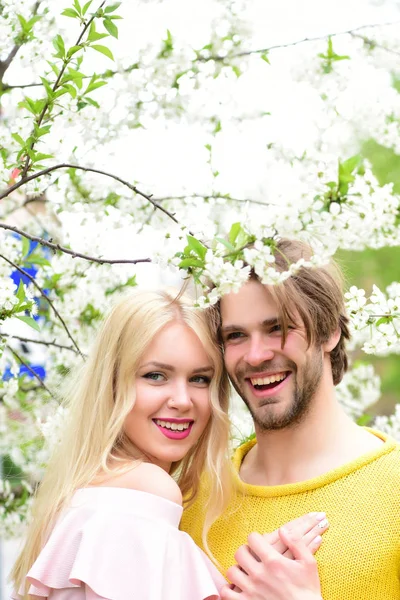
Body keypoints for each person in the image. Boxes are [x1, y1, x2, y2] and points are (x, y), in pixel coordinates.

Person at [10, 288, 327, 600]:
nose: (182, 400)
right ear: (112, 384)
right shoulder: (148, 490)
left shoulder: (83, 495)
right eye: (156, 376)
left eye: (199, 379)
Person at [181, 238, 400, 600]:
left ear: (329, 329)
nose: (255, 355)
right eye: (235, 335)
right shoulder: (192, 497)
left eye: (278, 328)